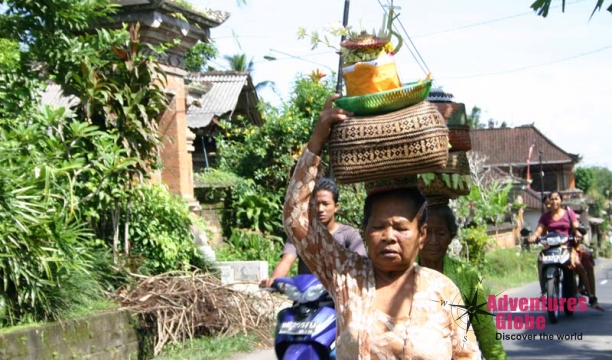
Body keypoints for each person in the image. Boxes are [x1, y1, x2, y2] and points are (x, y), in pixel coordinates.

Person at [283, 94, 481, 359]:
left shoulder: (443, 289)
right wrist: (317, 142)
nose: (389, 236)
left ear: (421, 235)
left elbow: (467, 355)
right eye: (378, 227)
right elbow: (296, 220)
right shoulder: (346, 276)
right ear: (365, 232)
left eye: (400, 228)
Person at [419, 202, 507, 360]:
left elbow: (486, 331)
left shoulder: (467, 276)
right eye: (426, 232)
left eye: (441, 233)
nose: (432, 241)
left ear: (451, 236)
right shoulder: (404, 274)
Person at [260, 177, 366, 288]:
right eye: (316, 204)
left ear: (336, 207)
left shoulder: (349, 234)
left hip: (338, 298)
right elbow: (286, 261)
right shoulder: (301, 233)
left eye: (325, 204)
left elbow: (361, 264)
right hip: (305, 297)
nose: (320, 209)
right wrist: (273, 280)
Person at [528, 190, 600, 309]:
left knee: (579, 266)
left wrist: (577, 234)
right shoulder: (545, 217)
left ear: (561, 201)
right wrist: (533, 237)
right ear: (549, 201)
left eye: (557, 199)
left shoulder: (568, 213)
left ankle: (591, 297)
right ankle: (545, 291)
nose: (554, 201)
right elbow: (538, 231)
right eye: (552, 199)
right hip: (551, 248)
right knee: (541, 261)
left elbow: (576, 227)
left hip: (568, 247)